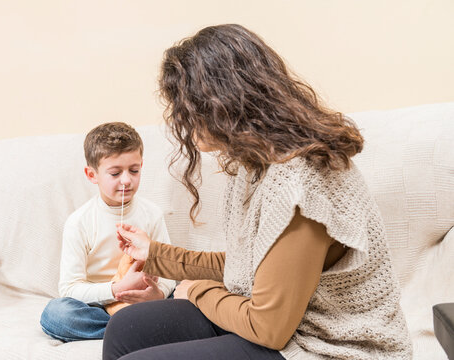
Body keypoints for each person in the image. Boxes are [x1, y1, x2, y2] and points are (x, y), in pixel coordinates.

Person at [102, 24, 412, 359]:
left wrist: (194, 291)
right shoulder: (256, 163)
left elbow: (268, 328)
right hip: (287, 327)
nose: (179, 118)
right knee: (126, 328)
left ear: (220, 102)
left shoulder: (300, 186)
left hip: (328, 347)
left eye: (185, 106)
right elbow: (250, 267)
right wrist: (157, 255)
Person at [40, 122, 175, 342]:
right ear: (92, 174)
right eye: (115, 173)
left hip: (145, 302)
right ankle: (132, 330)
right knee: (56, 314)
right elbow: (70, 288)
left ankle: (131, 328)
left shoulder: (152, 214)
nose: (126, 180)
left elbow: (169, 270)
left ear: (142, 165)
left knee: (187, 294)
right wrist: (118, 289)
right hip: (100, 306)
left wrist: (156, 295)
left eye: (134, 170)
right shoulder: (79, 222)